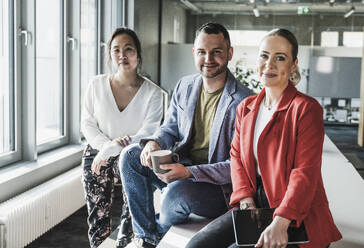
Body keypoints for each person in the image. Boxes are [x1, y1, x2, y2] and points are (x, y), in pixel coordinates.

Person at [186, 28, 342, 248]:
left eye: (280, 58)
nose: (269, 64)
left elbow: (305, 172)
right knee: (196, 245)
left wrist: (281, 222)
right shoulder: (246, 107)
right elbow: (237, 157)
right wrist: (245, 201)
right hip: (255, 203)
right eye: (264, 55)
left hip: (293, 209)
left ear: (293, 65)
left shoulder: (306, 109)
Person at [118, 23, 252, 248]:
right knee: (130, 156)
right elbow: (170, 128)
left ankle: (158, 229)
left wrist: (189, 172)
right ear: (194, 53)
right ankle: (146, 236)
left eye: (216, 52)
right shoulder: (185, 85)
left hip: (216, 187)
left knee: (175, 195)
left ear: (229, 53)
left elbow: (237, 168)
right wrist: (154, 142)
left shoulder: (244, 102)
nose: (208, 58)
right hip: (180, 168)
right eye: (202, 52)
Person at [81, 27, 163, 248]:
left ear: (138, 54)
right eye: (116, 50)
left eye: (128, 49)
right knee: (98, 218)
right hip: (97, 152)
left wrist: (114, 149)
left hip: (131, 154)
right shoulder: (96, 85)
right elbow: (87, 124)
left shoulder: (154, 94)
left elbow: (148, 133)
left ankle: (126, 241)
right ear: (110, 54)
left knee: (131, 210)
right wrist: (107, 147)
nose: (122, 55)